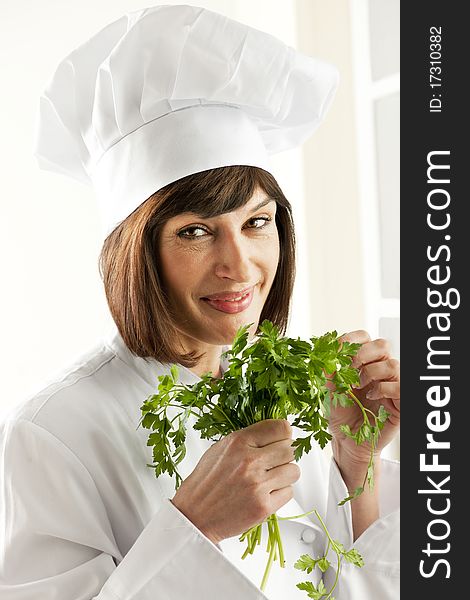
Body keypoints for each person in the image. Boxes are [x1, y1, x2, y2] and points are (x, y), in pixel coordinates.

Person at [0, 5, 400, 599]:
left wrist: (356, 463)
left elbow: (341, 584)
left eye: (257, 222)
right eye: (195, 231)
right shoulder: (52, 433)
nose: (240, 266)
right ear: (136, 252)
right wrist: (192, 526)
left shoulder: (291, 385)